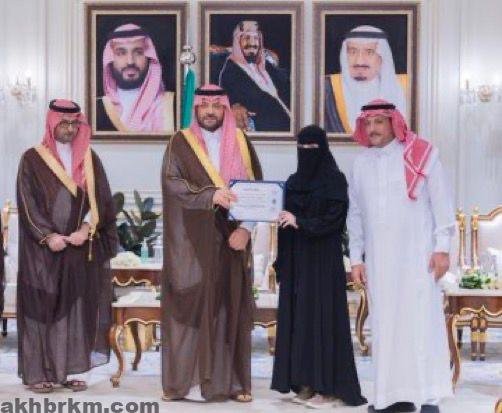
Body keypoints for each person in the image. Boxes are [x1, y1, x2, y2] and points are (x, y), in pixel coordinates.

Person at [347, 100, 454, 413]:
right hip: (379, 261)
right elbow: (355, 214)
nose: (373, 129)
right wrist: (356, 258)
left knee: (420, 323)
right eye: (368, 123)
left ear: (394, 123)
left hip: (418, 257)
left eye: (379, 122)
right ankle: (389, 397)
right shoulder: (360, 164)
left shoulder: (422, 154)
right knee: (385, 326)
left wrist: (442, 248)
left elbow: (442, 203)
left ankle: (427, 397)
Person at [161, 84, 262, 402]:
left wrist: (246, 229)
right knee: (193, 308)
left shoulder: (242, 142)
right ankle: (187, 383)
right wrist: (210, 195)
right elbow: (171, 183)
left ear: (225, 109)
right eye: (204, 105)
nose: (209, 111)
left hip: (232, 239)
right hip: (192, 240)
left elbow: (257, 190)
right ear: (196, 109)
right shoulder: (180, 142)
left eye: (216, 106)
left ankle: (232, 383)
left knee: (229, 307)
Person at [16, 99, 118, 393]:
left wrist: (86, 228)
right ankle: (39, 373)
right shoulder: (32, 159)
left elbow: (102, 200)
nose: (70, 129)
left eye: (75, 124)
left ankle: (72, 370)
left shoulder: (89, 158)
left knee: (76, 309)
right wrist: (48, 236)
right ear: (52, 123)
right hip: (42, 252)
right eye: (64, 123)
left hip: (77, 248)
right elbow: (27, 203)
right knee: (41, 310)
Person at [271, 125, 367, 409]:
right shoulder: (292, 180)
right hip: (298, 261)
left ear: (323, 148)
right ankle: (305, 383)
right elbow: (286, 219)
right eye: (302, 148)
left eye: (312, 148)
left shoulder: (335, 181)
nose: (306, 153)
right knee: (300, 320)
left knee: (321, 319)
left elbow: (334, 220)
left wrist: (300, 222)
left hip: (323, 261)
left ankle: (327, 387)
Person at [325, 25, 407, 134]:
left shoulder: (406, 87)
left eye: (369, 52)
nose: (359, 61)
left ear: (382, 57)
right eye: (352, 52)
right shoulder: (327, 88)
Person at [97, 23, 175, 133]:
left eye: (138, 53)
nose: (130, 61)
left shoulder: (170, 104)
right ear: (110, 59)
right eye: (121, 53)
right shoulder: (98, 108)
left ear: (149, 58)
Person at [218, 20, 290, 132]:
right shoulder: (231, 71)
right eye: (246, 38)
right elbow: (229, 100)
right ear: (237, 41)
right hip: (264, 131)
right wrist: (234, 106)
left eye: (256, 38)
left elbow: (287, 83)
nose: (252, 43)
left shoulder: (267, 66)